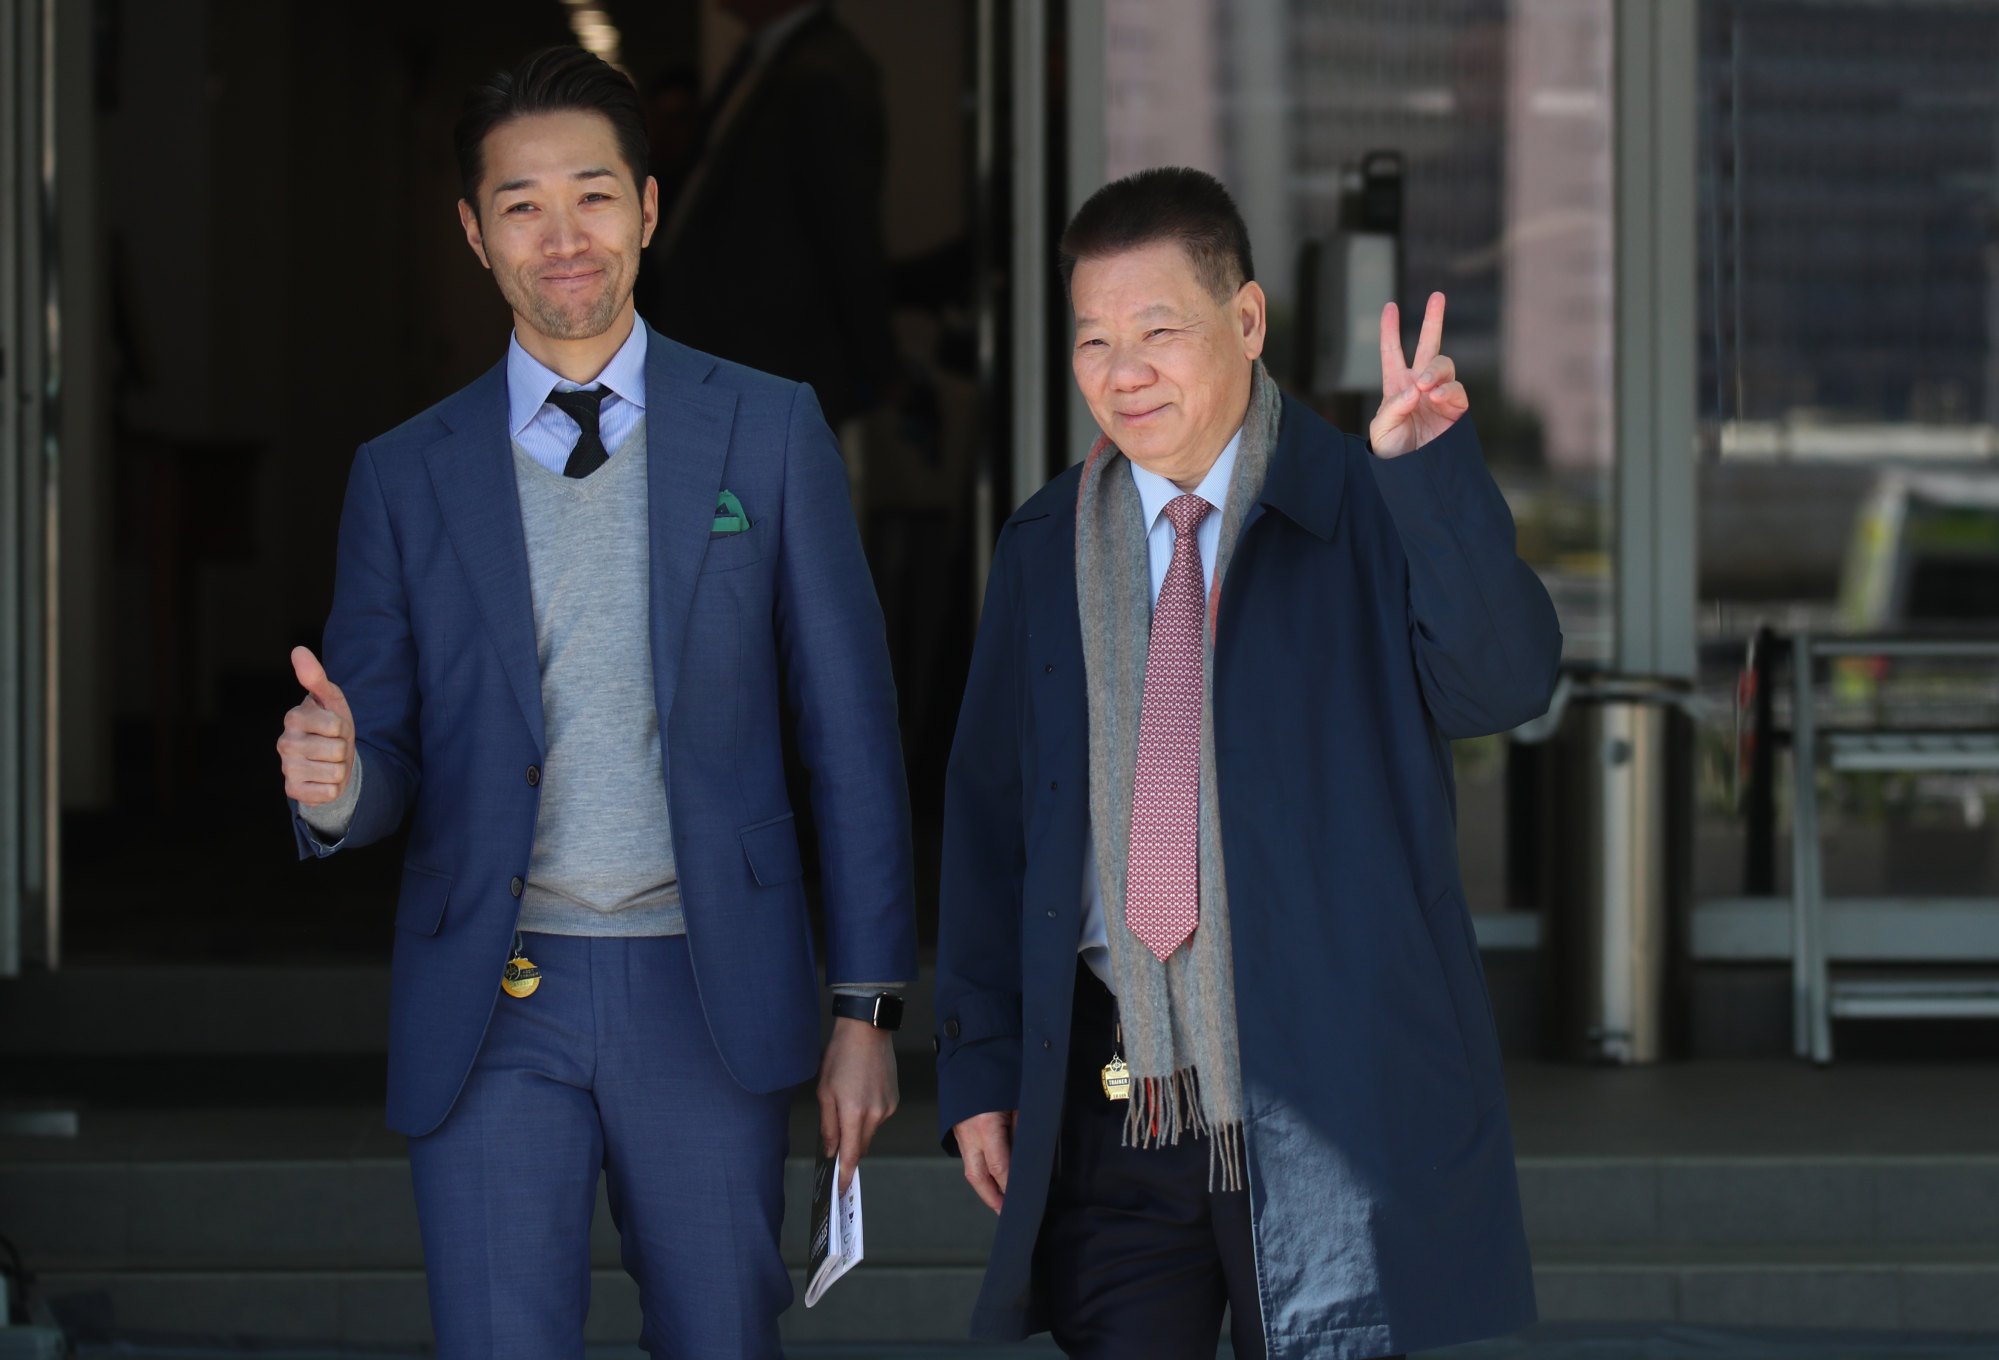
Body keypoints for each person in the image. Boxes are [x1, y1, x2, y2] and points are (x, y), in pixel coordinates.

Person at [273, 46, 915, 1359]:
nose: (561, 238)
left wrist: (866, 1010)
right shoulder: (403, 478)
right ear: (472, 231)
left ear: (648, 207)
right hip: (491, 1001)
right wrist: (338, 785)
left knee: (720, 1339)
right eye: (519, 204)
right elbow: (379, 748)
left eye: (592, 196)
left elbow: (851, 744)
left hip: (706, 987)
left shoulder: (767, 432)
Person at [933, 167, 1559, 1360]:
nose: (1123, 373)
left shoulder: (1363, 504)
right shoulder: (1044, 544)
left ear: (1249, 321)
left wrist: (1429, 480)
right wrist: (978, 1064)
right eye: (1094, 340)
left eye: (1159, 331)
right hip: (1120, 1094)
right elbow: (991, 823)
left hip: (1327, 1091)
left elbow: (1508, 682)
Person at [638, 0, 896, 428]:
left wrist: (882, 366)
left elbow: (847, 233)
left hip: (769, 364)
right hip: (725, 355)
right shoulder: (766, 60)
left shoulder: (823, 71)